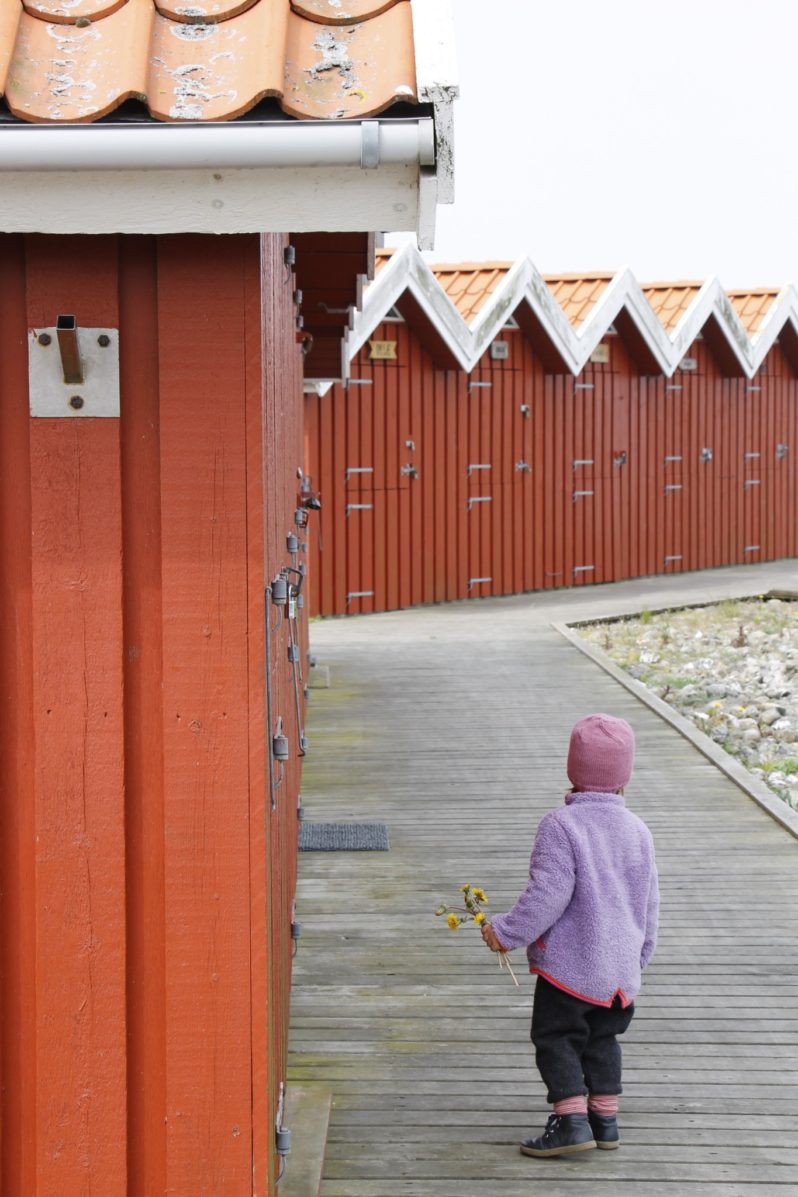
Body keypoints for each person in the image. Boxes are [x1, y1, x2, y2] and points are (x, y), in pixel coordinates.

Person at [481, 712, 659, 1158]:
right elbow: (649, 901)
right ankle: (605, 1120)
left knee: (557, 1037)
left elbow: (548, 895)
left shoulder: (561, 826)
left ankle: (571, 1120)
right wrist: (639, 954)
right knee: (602, 1040)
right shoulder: (638, 830)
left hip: (572, 967)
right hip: (619, 972)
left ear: (573, 769)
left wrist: (505, 931)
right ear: (625, 775)